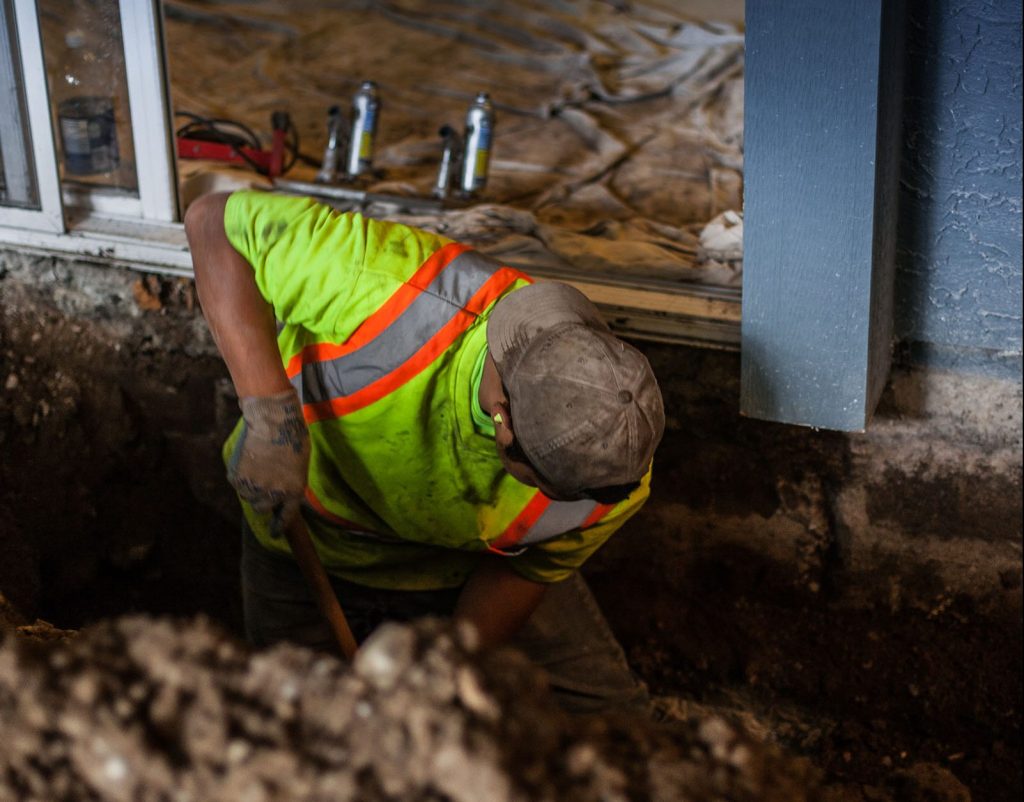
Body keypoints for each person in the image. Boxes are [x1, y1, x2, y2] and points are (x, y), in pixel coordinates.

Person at [184, 190, 665, 713]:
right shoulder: (386, 287)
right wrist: (269, 413)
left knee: (610, 724)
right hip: (311, 542)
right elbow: (212, 222)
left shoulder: (611, 470)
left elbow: (522, 573)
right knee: (298, 732)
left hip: (459, 569)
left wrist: (442, 672)